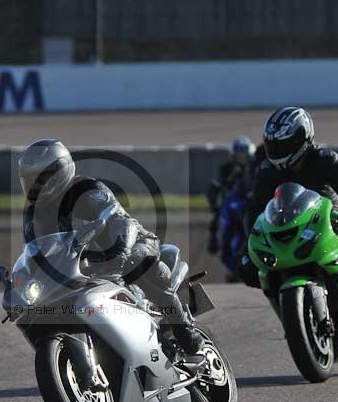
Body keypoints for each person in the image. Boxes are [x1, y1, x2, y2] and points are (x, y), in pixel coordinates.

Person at [18, 139, 203, 353]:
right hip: (83, 264)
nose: (36, 187)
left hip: (129, 243)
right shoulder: (34, 214)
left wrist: (119, 251)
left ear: (60, 172)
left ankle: (186, 333)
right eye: (31, 180)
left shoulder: (87, 190)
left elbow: (119, 220)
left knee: (140, 265)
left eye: (41, 179)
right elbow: (34, 250)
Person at [242, 107, 338, 308]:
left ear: (302, 139)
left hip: (334, 218)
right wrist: (247, 247)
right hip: (292, 224)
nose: (278, 151)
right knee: (251, 270)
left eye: (284, 144)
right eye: (273, 145)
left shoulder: (326, 158)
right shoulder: (266, 170)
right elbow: (255, 209)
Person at [206, 136, 257, 281]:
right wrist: (214, 205)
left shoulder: (255, 169)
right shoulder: (225, 169)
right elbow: (214, 188)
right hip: (229, 205)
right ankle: (215, 243)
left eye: (244, 153)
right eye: (238, 153)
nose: (241, 157)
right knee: (216, 221)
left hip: (248, 205)